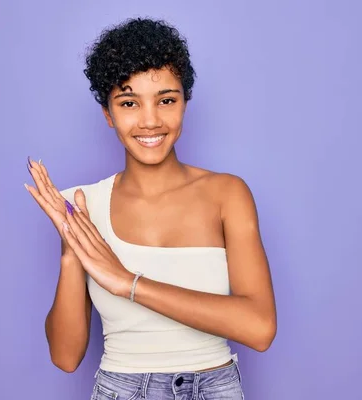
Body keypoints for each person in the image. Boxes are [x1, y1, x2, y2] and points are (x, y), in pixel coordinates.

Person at [25, 17, 276, 400]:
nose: (150, 120)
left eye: (166, 100)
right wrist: (73, 255)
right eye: (129, 103)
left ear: (185, 104)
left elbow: (259, 328)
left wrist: (128, 283)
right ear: (108, 114)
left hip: (216, 389)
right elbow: (65, 357)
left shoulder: (227, 193)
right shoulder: (84, 206)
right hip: (121, 390)